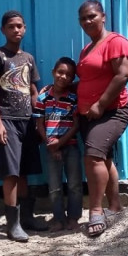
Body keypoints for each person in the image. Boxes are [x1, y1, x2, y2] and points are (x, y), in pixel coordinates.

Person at [76, 0, 128, 237]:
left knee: (92, 157)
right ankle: (115, 206)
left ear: (103, 16)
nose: (88, 21)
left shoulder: (116, 42)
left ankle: (96, 211)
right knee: (104, 158)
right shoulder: (88, 48)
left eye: (92, 16)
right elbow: (90, 79)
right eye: (83, 18)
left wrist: (100, 104)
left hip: (111, 111)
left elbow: (123, 75)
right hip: (88, 113)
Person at [0, 10, 48, 242]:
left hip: (28, 120)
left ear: (25, 29)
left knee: (24, 171)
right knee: (11, 172)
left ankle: (27, 217)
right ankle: (12, 225)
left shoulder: (28, 59)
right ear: (3, 30)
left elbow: (33, 91)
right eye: (11, 26)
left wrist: (40, 120)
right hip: (8, 121)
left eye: (20, 26)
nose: (16, 30)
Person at [34, 57, 83, 232]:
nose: (63, 77)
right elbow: (39, 124)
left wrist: (60, 143)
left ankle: (73, 218)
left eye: (68, 75)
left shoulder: (72, 98)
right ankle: (58, 218)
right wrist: (50, 143)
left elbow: (76, 125)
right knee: (54, 187)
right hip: (50, 148)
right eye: (60, 72)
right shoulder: (43, 97)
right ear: (53, 72)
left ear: (71, 80)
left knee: (74, 185)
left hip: (70, 145)